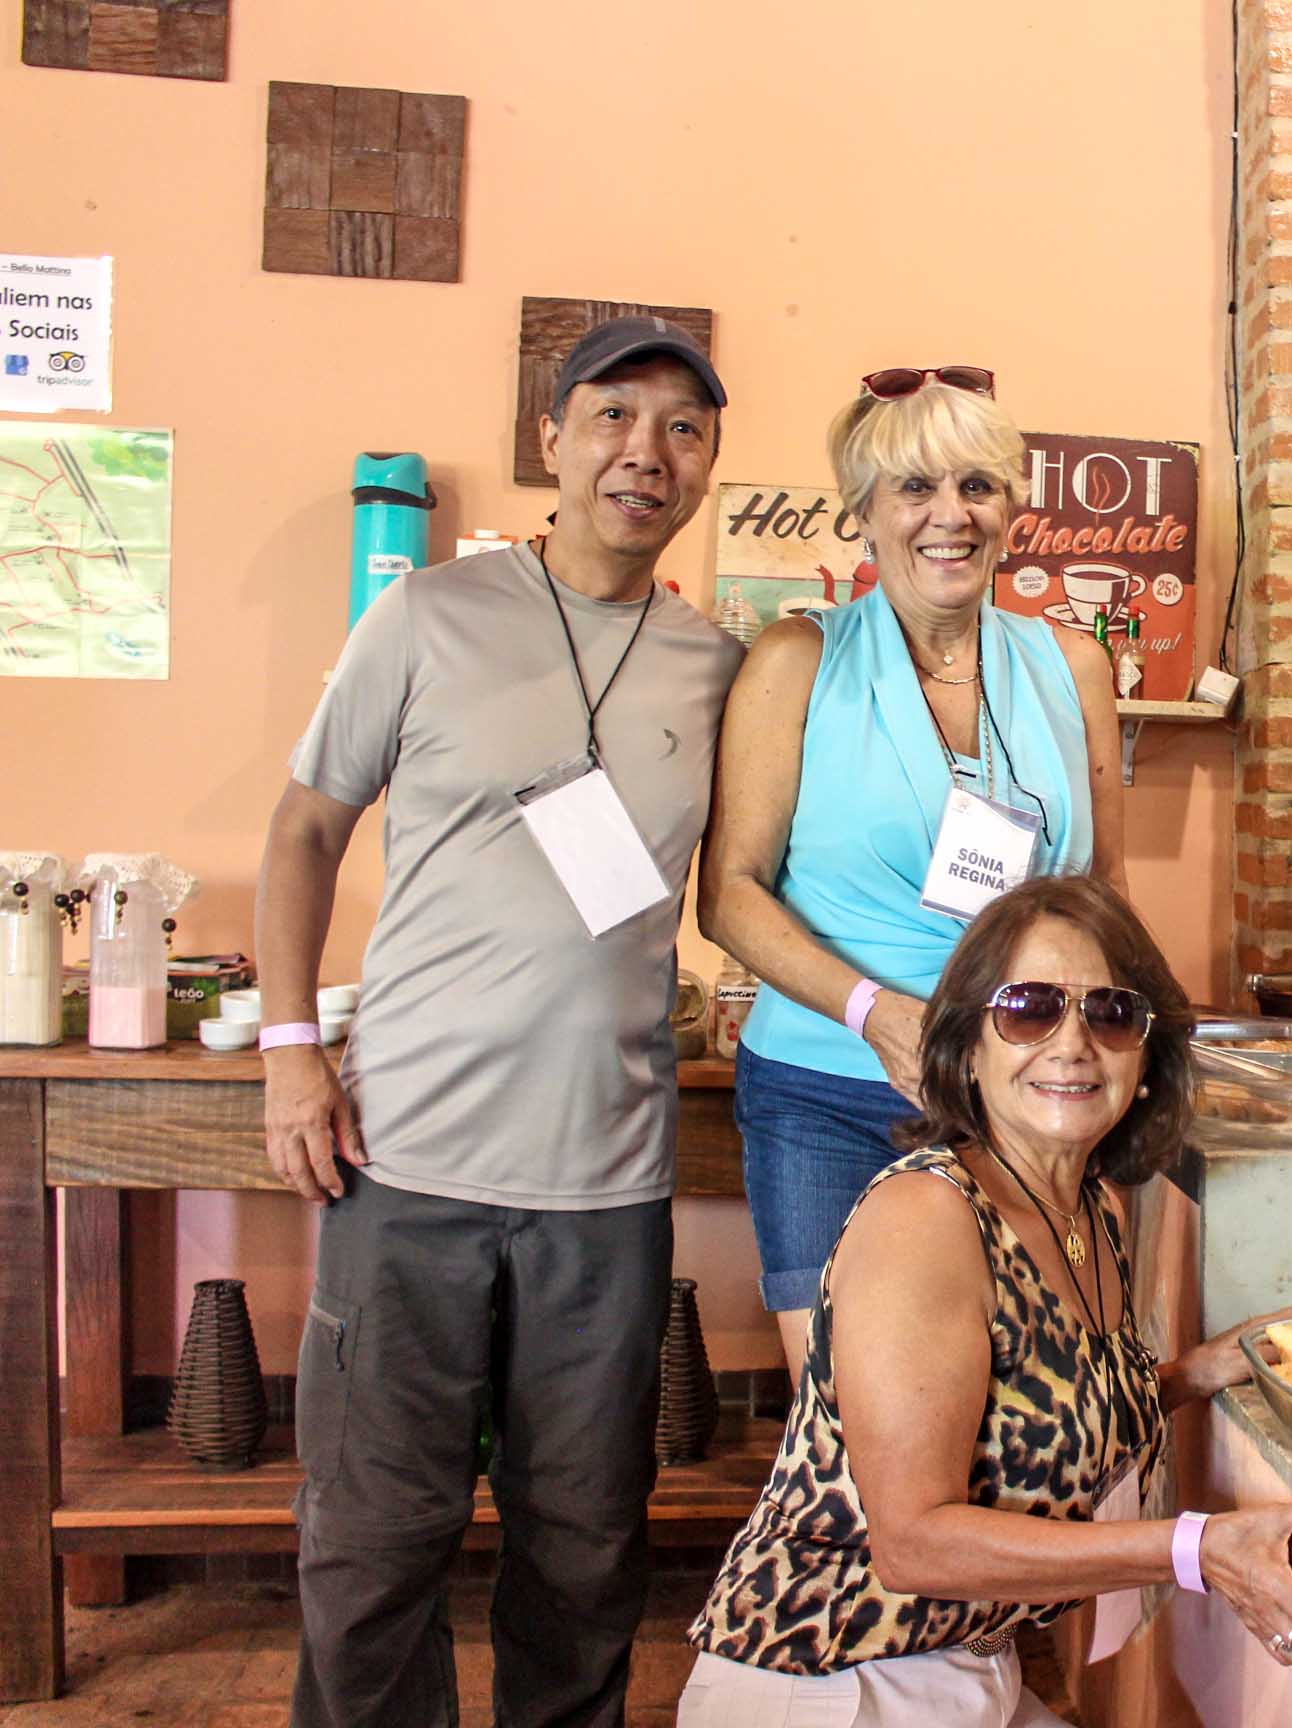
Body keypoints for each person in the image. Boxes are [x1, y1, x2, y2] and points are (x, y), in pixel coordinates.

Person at [255, 316, 742, 1726]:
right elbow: (303, 830)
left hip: (606, 1185)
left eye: (684, 428)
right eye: (613, 417)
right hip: (403, 1161)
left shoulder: (718, 667)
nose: (645, 452)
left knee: (586, 1550)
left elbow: (755, 879)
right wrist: (290, 1053)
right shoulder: (425, 617)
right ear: (552, 440)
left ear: (707, 466)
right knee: (373, 1543)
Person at [681, 875, 1292, 1723]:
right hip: (830, 1682)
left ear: (1145, 1060)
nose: (1072, 1043)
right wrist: (1200, 1549)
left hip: (968, 1673)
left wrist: (1198, 1371)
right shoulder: (926, 1218)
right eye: (1028, 1008)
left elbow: (1039, 1411)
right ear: (967, 1047)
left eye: (1110, 1014)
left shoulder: (1090, 1212)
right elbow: (913, 1543)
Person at [698, 365, 1128, 1373]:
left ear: (1011, 511)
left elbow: (1102, 893)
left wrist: (1106, 1051)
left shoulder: (1072, 667)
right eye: (915, 488)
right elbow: (728, 895)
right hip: (829, 1090)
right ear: (864, 513)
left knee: (1025, 1397)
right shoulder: (796, 659)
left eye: (977, 487)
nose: (951, 515)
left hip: (1022, 1095)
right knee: (852, 1406)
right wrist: (877, 1014)